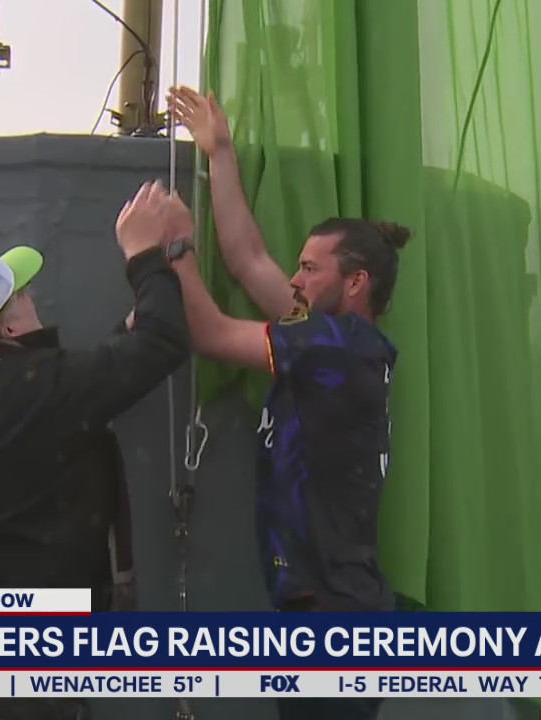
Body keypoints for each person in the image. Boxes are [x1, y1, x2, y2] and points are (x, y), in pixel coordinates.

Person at [167, 86, 409, 720]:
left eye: (309, 269)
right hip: (320, 612)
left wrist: (169, 253)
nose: (296, 281)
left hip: (335, 624)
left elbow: (212, 332)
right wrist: (219, 153)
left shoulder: (339, 347)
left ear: (355, 282)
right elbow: (248, 261)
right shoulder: (329, 338)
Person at [0, 181, 190, 720]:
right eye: (22, 292)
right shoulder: (38, 393)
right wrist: (145, 257)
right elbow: (164, 344)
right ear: (10, 323)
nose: (34, 297)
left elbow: (53, 397)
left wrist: (119, 342)